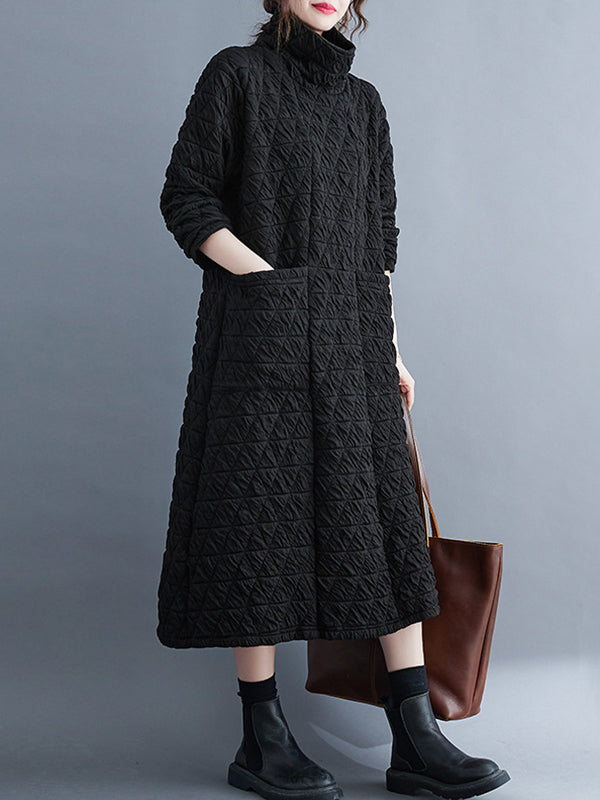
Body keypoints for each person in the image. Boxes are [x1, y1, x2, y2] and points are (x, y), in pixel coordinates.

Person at [156, 2, 511, 799]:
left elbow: (379, 240)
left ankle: (415, 737)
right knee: (258, 526)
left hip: (355, 341)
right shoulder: (236, 76)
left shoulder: (365, 104)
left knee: (382, 525)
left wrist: (393, 346)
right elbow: (188, 199)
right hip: (263, 340)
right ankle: (261, 738)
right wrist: (273, 287)